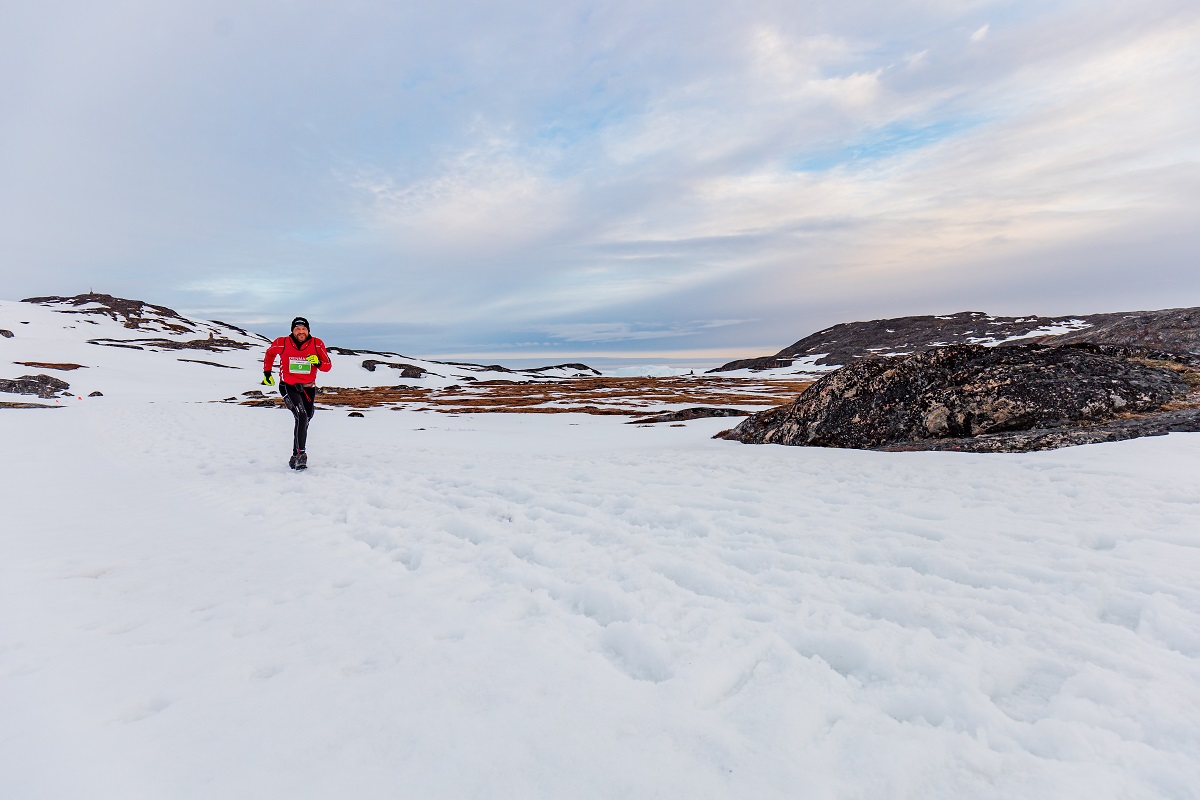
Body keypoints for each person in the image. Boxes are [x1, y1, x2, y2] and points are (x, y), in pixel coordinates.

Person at [262, 317, 331, 469]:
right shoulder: (282, 342)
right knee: (302, 415)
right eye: (297, 329)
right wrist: (267, 373)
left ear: (308, 330)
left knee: (306, 418)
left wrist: (317, 363)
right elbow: (269, 353)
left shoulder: (317, 343)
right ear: (292, 330)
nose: (301, 332)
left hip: (308, 388)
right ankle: (301, 454)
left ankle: (294, 455)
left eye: (304, 329)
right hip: (288, 386)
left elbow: (327, 366)